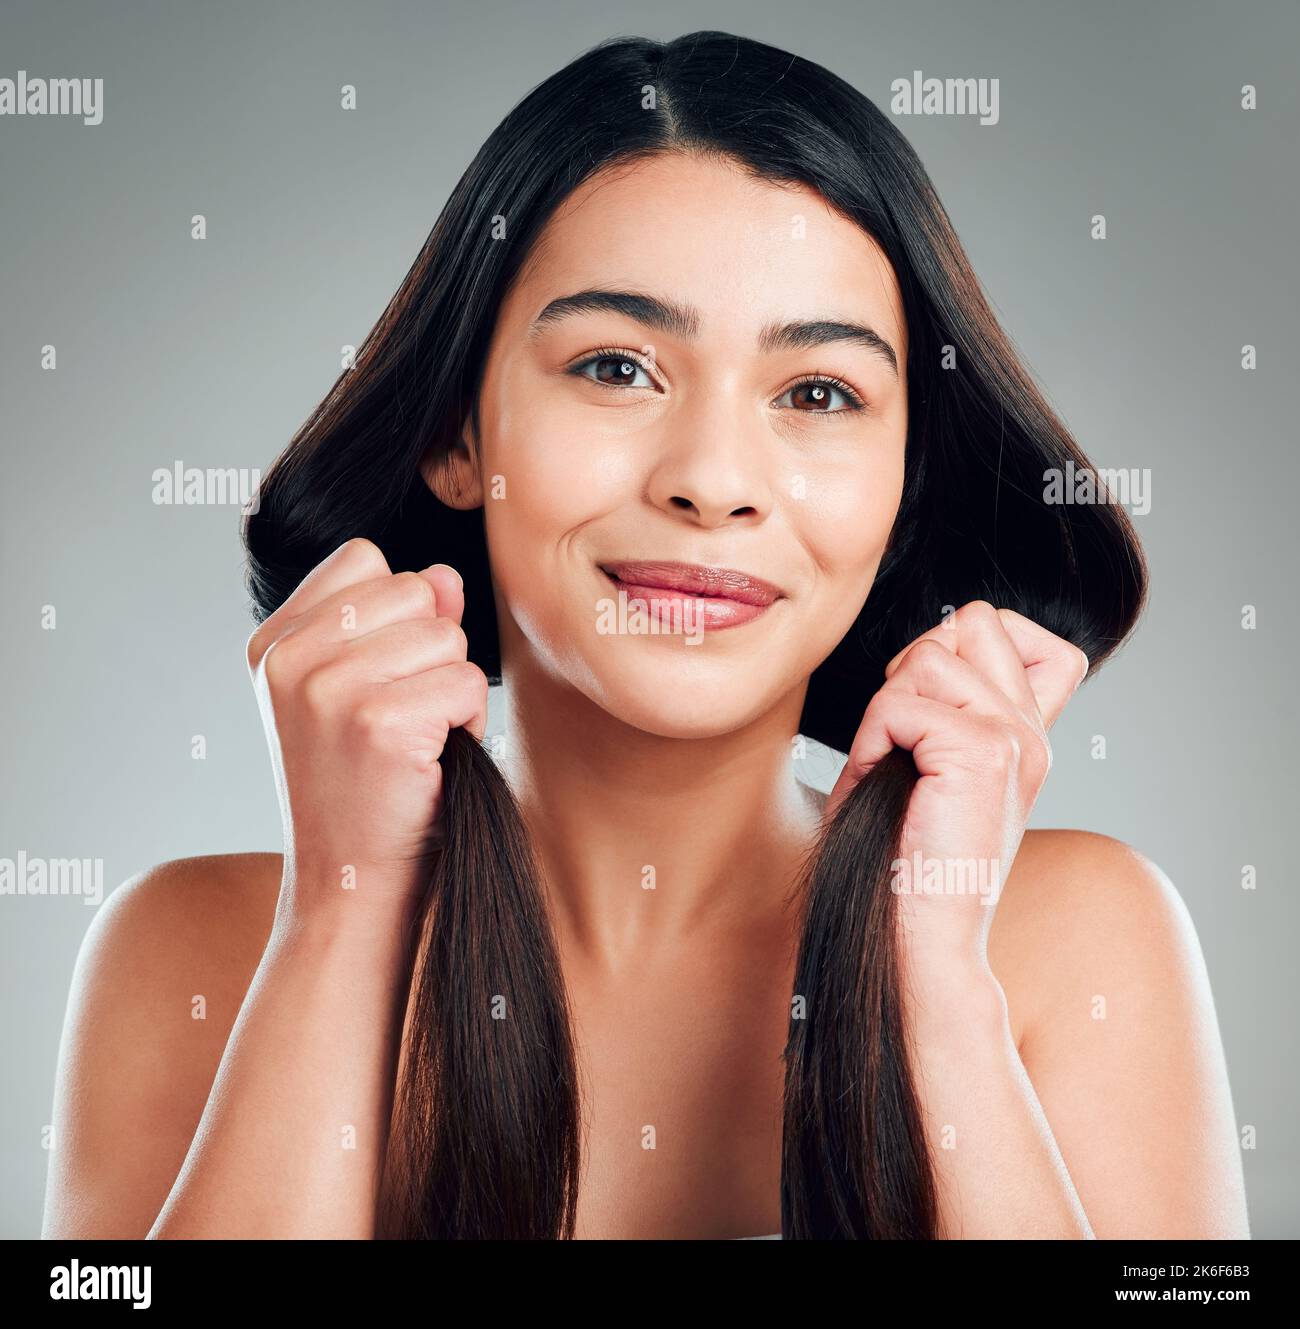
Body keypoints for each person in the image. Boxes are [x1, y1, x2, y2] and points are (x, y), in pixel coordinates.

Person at [42, 30, 1249, 1241]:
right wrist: (340, 922)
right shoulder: (187, 954)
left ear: (901, 485)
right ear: (457, 436)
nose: (714, 479)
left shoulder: (1076, 939)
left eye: (818, 393)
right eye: (617, 367)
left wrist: (935, 989)